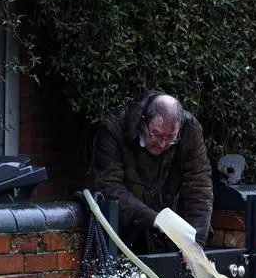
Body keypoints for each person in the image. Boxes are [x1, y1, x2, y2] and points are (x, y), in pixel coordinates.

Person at [87, 90, 213, 254]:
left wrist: (196, 243)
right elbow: (108, 186)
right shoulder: (114, 128)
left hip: (168, 234)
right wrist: (154, 219)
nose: (162, 144)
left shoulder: (190, 130)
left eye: (171, 138)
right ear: (143, 121)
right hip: (119, 233)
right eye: (157, 134)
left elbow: (199, 188)